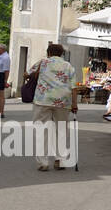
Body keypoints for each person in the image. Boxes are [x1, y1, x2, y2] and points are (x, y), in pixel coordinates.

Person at [30, 43, 76, 171]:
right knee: (61, 130)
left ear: (48, 52)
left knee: (41, 130)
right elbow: (74, 87)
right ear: (61, 53)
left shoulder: (42, 63)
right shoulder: (68, 66)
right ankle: (60, 160)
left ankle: (43, 163)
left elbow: (27, 74)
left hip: (43, 100)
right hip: (62, 101)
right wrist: (74, 104)